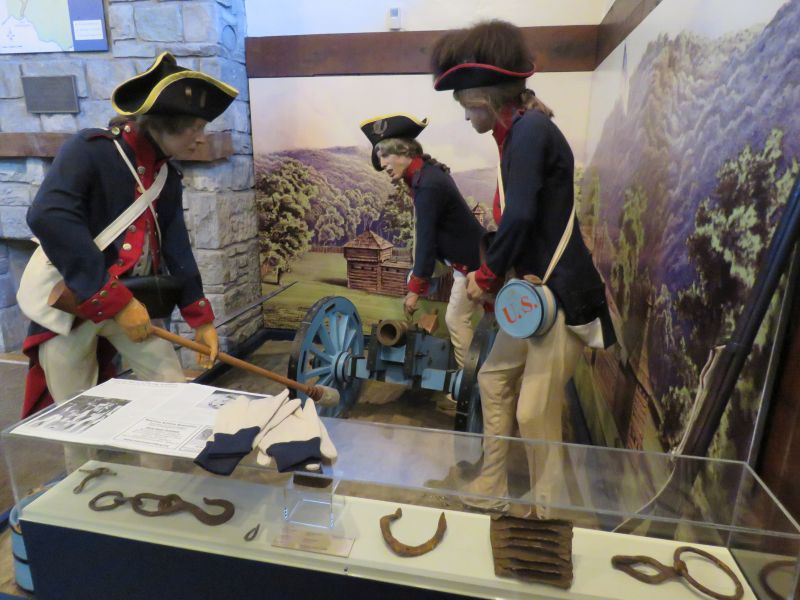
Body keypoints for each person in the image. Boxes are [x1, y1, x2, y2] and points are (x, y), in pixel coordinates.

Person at [431, 21, 616, 514]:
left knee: (534, 412)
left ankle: (546, 513)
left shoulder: (530, 132)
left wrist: (485, 276)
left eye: (468, 105)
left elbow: (520, 217)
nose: (466, 115)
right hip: (534, 294)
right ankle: (493, 482)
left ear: (487, 99)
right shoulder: (519, 133)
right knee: (493, 380)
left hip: (558, 294)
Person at [21, 52, 238, 418]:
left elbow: (176, 246)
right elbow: (48, 216)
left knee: (172, 391)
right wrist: (116, 302)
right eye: (196, 128)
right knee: (77, 414)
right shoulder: (90, 150)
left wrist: (201, 318)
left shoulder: (166, 176)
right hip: (72, 302)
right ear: (168, 123)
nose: (201, 140)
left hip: (130, 302)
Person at [360, 114, 486, 375]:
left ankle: (469, 381)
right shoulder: (425, 176)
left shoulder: (427, 185)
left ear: (404, 151)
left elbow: (426, 239)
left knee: (457, 319)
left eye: (385, 156)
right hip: (469, 259)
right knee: (480, 319)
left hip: (474, 264)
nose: (382, 165)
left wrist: (414, 291)